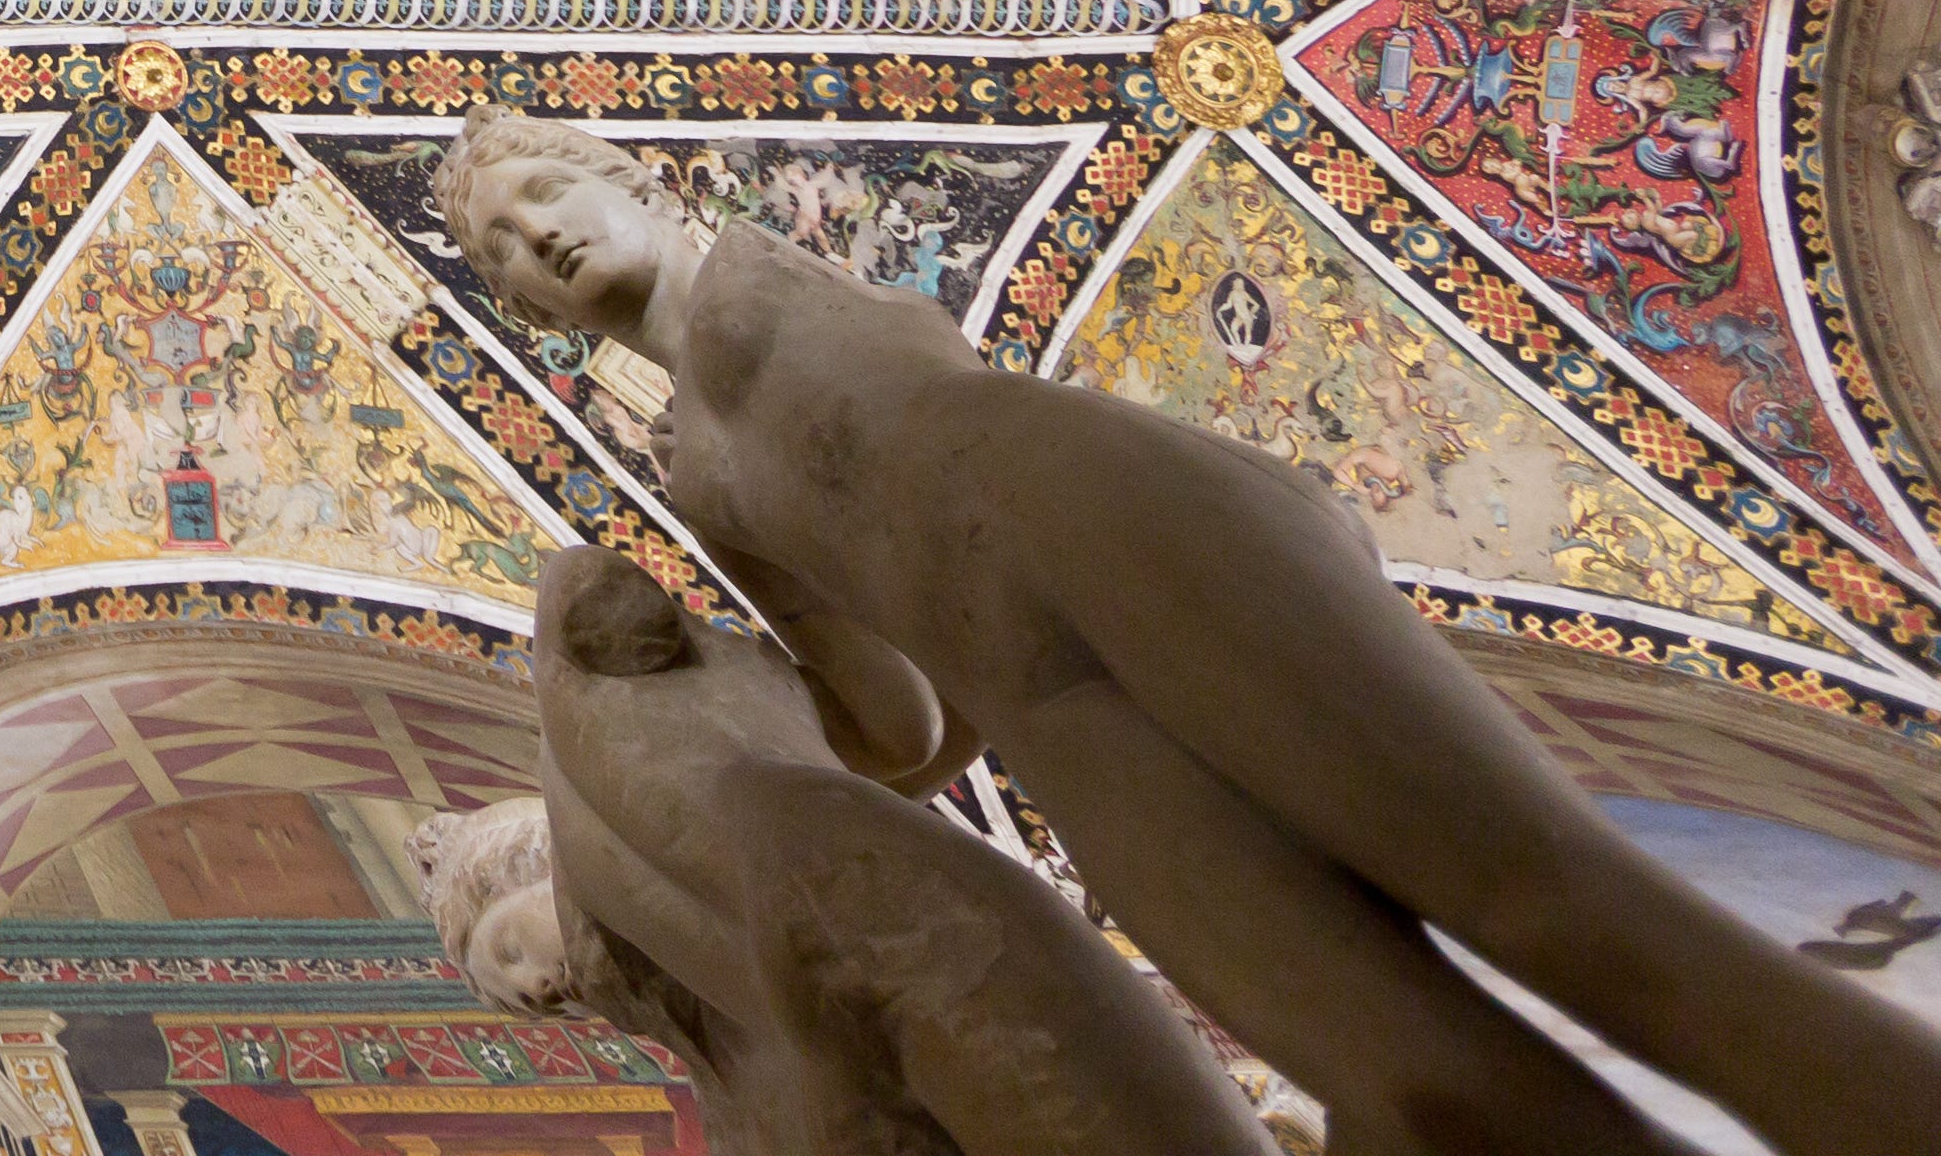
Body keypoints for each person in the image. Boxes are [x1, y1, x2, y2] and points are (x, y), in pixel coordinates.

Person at [433, 107, 1941, 1156]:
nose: (534, 238)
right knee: (1416, 1085)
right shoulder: (694, 470)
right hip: (1035, 699)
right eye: (498, 251)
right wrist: (716, 744)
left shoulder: (764, 264)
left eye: (546, 195)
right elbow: (900, 724)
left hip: (1084, 517)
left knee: (1554, 907)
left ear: (641, 181)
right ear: (520, 313)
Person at [423, 547, 1276, 1154]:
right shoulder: (710, 1052)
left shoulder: (601, 794)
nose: (538, 987)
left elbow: (915, 732)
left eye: (510, 949)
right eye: (530, 1005)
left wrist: (752, 540)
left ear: (530, 858)